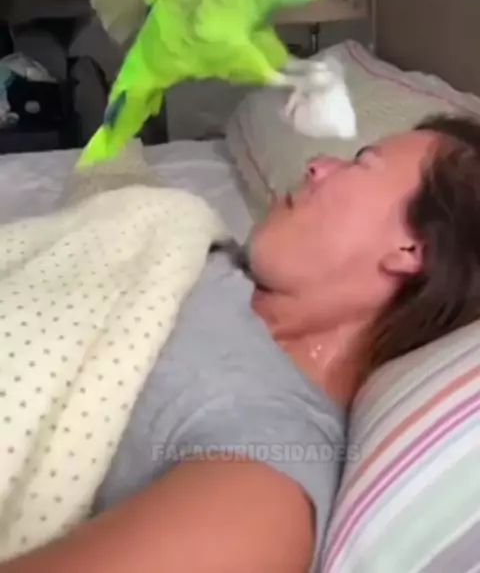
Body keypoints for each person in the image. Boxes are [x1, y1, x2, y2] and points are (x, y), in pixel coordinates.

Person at [4, 112, 480, 573]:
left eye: (362, 162)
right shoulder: (203, 251)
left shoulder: (267, 459)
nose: (317, 165)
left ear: (411, 250)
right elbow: (116, 203)